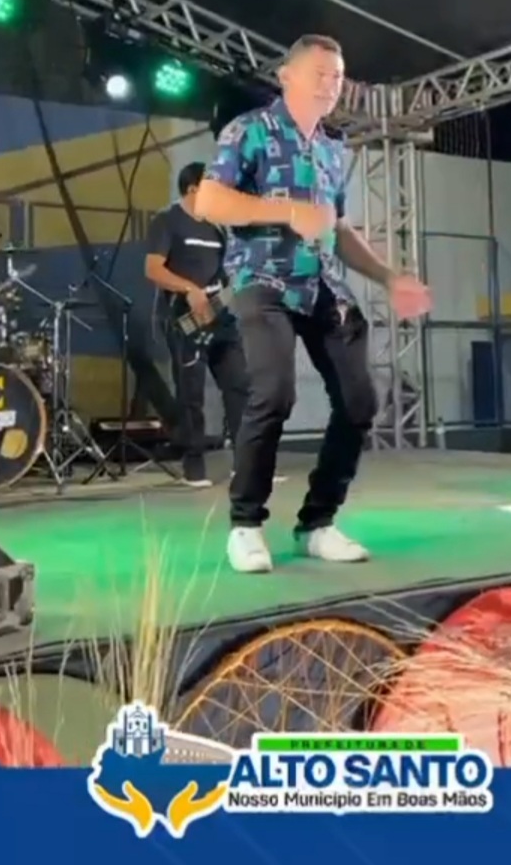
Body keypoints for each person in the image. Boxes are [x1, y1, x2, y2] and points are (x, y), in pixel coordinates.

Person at [196, 35, 432, 573]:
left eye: (338, 76)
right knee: (274, 392)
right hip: (262, 279)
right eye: (320, 73)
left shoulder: (331, 148)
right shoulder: (249, 130)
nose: (331, 84)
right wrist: (285, 210)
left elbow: (337, 228)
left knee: (360, 402)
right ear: (287, 76)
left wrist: (390, 276)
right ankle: (245, 525)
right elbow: (210, 200)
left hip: (322, 286)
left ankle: (317, 523)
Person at [145, 162, 250, 488]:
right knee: (191, 392)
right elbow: (153, 269)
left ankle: (247, 466)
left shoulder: (217, 229)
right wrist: (189, 289)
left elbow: (227, 274)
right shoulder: (167, 221)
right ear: (193, 189)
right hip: (185, 318)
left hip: (221, 318)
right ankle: (194, 468)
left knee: (240, 386)